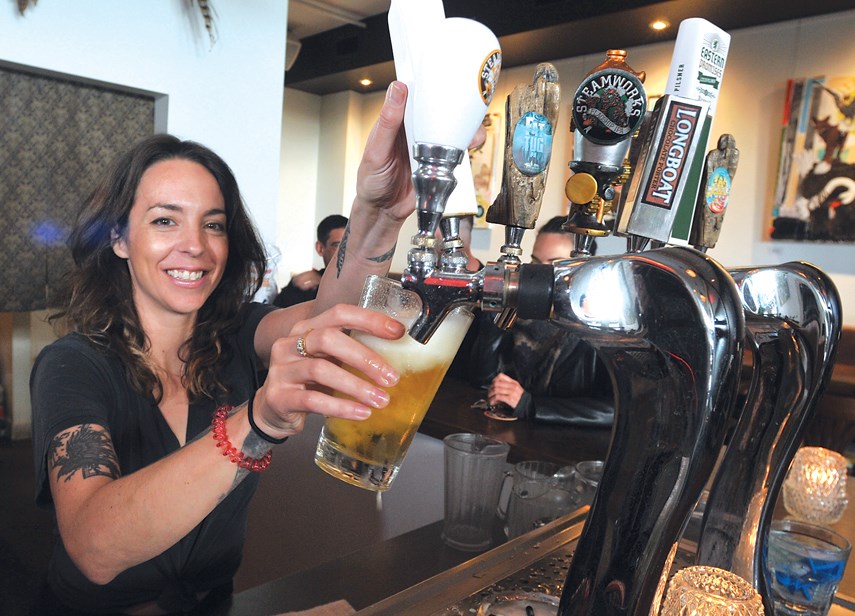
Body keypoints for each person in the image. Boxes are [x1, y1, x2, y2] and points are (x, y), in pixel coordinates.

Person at [30, 81, 430, 615]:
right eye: (164, 220)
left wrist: (376, 217)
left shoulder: (239, 335)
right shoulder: (72, 365)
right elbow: (94, 546)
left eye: (212, 225)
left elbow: (329, 318)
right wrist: (256, 420)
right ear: (119, 239)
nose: (194, 245)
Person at [468, 216, 613, 426]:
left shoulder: (600, 329)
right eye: (535, 263)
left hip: (568, 451)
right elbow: (481, 380)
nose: (540, 276)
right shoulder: (517, 315)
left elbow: (615, 411)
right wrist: (496, 309)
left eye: (554, 265)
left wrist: (531, 406)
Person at [272, 214, 347, 308]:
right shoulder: (306, 286)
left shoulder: (366, 283)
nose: (347, 252)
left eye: (352, 245)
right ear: (320, 248)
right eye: (337, 245)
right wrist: (292, 286)